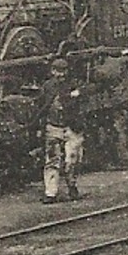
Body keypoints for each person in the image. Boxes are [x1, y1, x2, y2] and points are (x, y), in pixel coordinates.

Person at [41, 58, 85, 204]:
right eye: (57, 71)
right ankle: (51, 193)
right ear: (52, 71)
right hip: (53, 126)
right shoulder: (47, 86)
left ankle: (72, 186)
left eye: (63, 71)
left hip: (71, 126)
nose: (60, 74)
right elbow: (43, 105)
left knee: (72, 159)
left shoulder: (74, 85)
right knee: (52, 160)